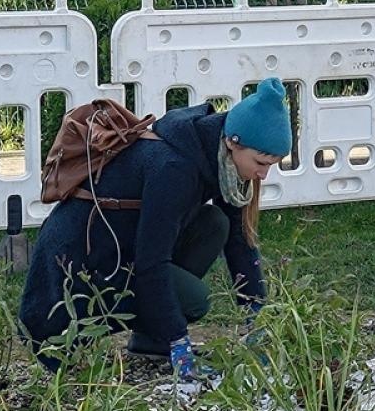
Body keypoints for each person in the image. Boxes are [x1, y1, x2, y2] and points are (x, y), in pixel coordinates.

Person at [19, 78, 291, 374]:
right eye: (261, 163)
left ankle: (151, 339)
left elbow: (239, 237)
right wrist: (177, 339)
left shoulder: (220, 158)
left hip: (122, 251)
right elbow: (151, 260)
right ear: (232, 142)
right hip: (74, 276)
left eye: (271, 165)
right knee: (195, 299)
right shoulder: (174, 168)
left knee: (214, 223)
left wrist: (256, 308)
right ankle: (155, 336)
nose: (263, 175)